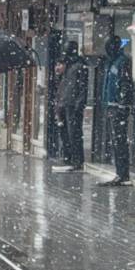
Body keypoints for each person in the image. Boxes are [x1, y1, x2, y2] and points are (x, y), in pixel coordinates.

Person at [98, 36, 133, 186]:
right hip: (112, 106)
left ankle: (123, 174)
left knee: (120, 141)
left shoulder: (122, 62)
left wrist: (122, 105)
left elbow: (125, 84)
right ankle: (120, 173)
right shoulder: (111, 62)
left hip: (118, 108)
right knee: (116, 141)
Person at [54, 41, 89, 172]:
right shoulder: (69, 66)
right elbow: (65, 86)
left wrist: (79, 104)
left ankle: (76, 160)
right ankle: (70, 158)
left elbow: (82, 87)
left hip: (72, 104)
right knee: (68, 133)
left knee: (74, 133)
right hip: (66, 103)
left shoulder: (78, 65)